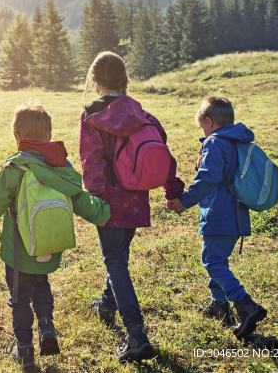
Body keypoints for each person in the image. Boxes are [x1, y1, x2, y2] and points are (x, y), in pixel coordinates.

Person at [0, 99, 111, 372]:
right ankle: (47, 330)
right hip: (49, 246)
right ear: (48, 136)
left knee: (19, 297)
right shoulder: (63, 166)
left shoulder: (13, 169)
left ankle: (24, 349)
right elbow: (83, 201)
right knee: (41, 286)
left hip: (19, 250)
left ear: (16, 136)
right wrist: (106, 212)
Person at [80, 51, 184, 362]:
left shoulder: (91, 116)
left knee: (115, 263)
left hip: (109, 201)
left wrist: (96, 199)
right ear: (126, 81)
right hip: (137, 200)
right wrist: (173, 190)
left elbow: (91, 160)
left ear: (96, 82)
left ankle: (136, 335)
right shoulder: (142, 113)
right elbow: (163, 154)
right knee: (119, 258)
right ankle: (106, 306)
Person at [167, 95, 268, 339]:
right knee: (217, 259)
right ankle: (219, 306)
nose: (203, 132)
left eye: (202, 127)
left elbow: (207, 179)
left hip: (219, 214)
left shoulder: (215, 143)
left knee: (212, 261)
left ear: (209, 122)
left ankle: (245, 306)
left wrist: (184, 201)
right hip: (236, 214)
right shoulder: (235, 142)